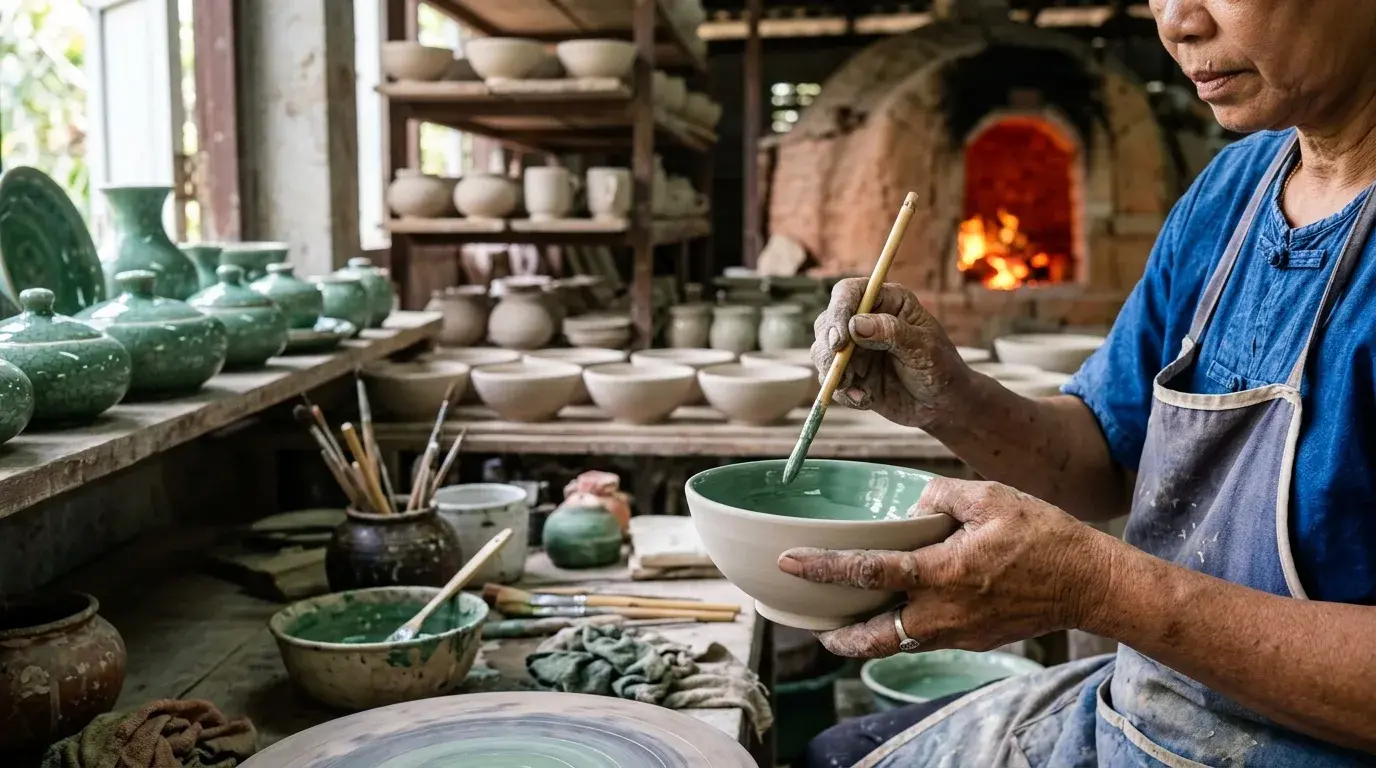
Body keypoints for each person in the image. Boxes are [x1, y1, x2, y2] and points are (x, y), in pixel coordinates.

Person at [792, 1, 1376, 765]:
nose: (1178, 24)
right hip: (1144, 708)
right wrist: (950, 399)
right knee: (832, 751)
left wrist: (1098, 589)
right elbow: (1105, 457)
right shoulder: (1234, 189)